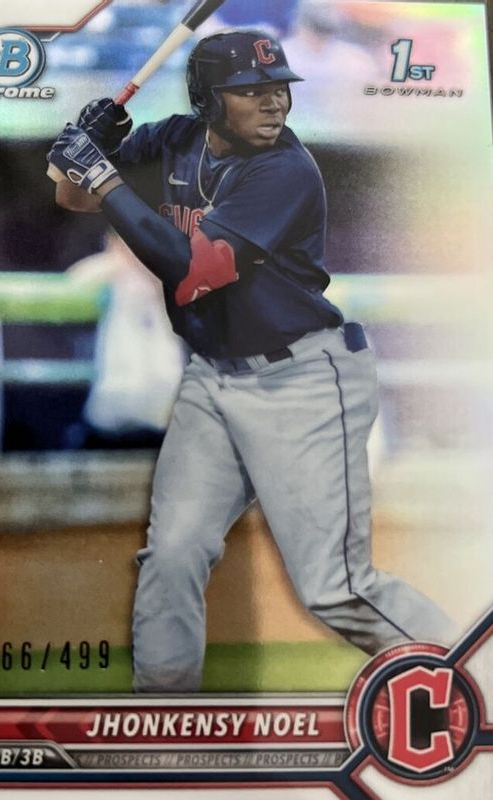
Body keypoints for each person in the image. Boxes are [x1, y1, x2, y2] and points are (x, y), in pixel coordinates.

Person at [47, 29, 456, 692]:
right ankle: (163, 718)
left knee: (334, 587)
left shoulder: (286, 170)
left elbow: (194, 270)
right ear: (209, 100)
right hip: (214, 376)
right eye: (251, 92)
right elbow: (72, 197)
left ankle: (471, 672)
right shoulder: (172, 140)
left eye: (278, 89)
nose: (274, 103)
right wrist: (78, 149)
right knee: (172, 554)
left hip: (302, 380)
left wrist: (102, 171)